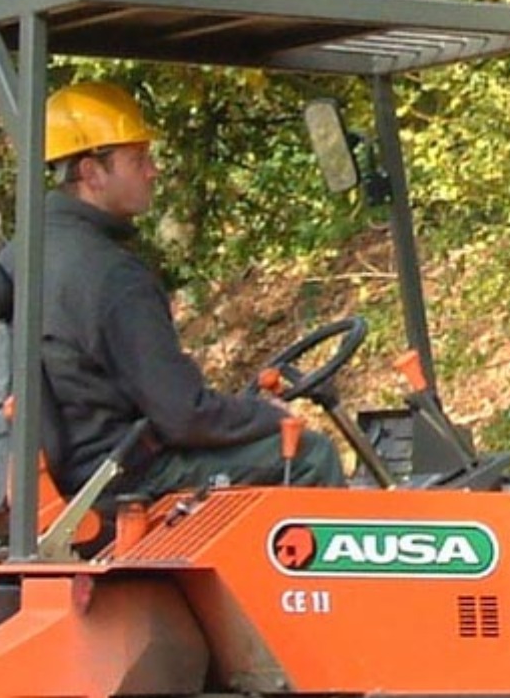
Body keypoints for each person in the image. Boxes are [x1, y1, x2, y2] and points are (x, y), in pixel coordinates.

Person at [27, 79, 344, 499]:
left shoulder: (24, 253)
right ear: (91, 172)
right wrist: (264, 415)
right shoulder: (109, 274)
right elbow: (182, 414)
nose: (152, 170)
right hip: (124, 477)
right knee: (309, 456)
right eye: (137, 158)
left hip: (76, 473)